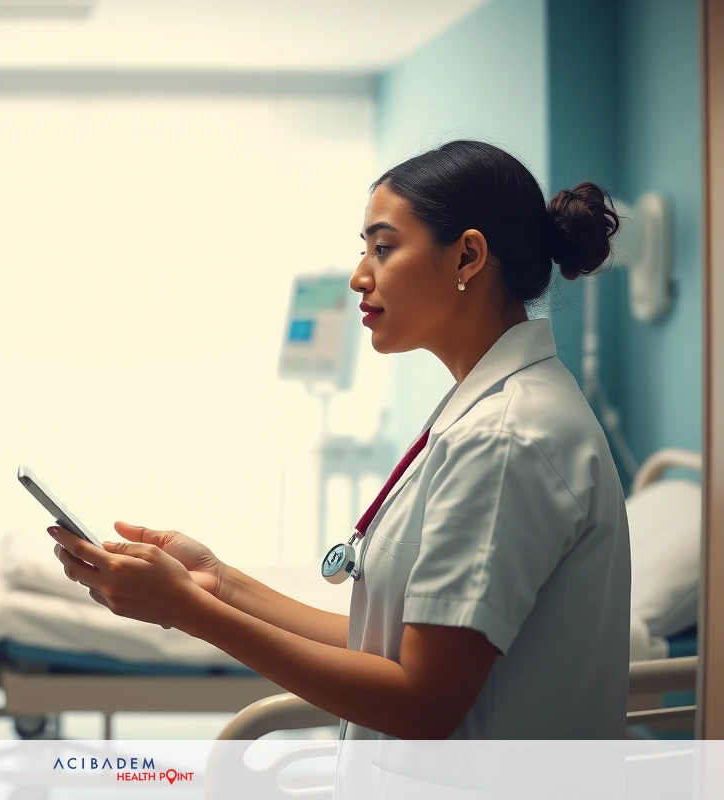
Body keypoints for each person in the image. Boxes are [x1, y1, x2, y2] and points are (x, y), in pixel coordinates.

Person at [48, 140, 631, 741]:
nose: (358, 277)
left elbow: (423, 703)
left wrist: (190, 613)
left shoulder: (507, 438)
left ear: (467, 257)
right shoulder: (487, 413)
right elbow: (386, 647)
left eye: (383, 248)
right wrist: (218, 584)